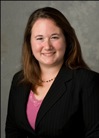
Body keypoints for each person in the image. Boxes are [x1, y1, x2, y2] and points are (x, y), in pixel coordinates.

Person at [5, 6, 99, 138]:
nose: (47, 46)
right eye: (39, 38)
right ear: (29, 43)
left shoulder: (87, 81)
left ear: (67, 40)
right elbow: (13, 132)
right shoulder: (19, 80)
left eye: (54, 37)